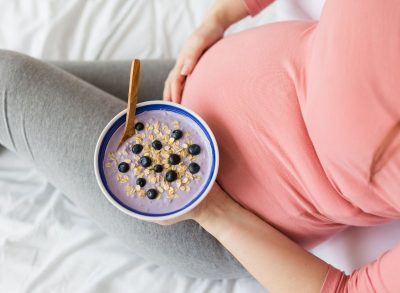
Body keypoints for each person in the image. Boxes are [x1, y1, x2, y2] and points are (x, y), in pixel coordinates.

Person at [0, 0, 399, 292]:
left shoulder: (210, 211)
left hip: (203, 213)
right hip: (178, 89)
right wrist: (222, 16)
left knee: (8, 80)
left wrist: (212, 212)